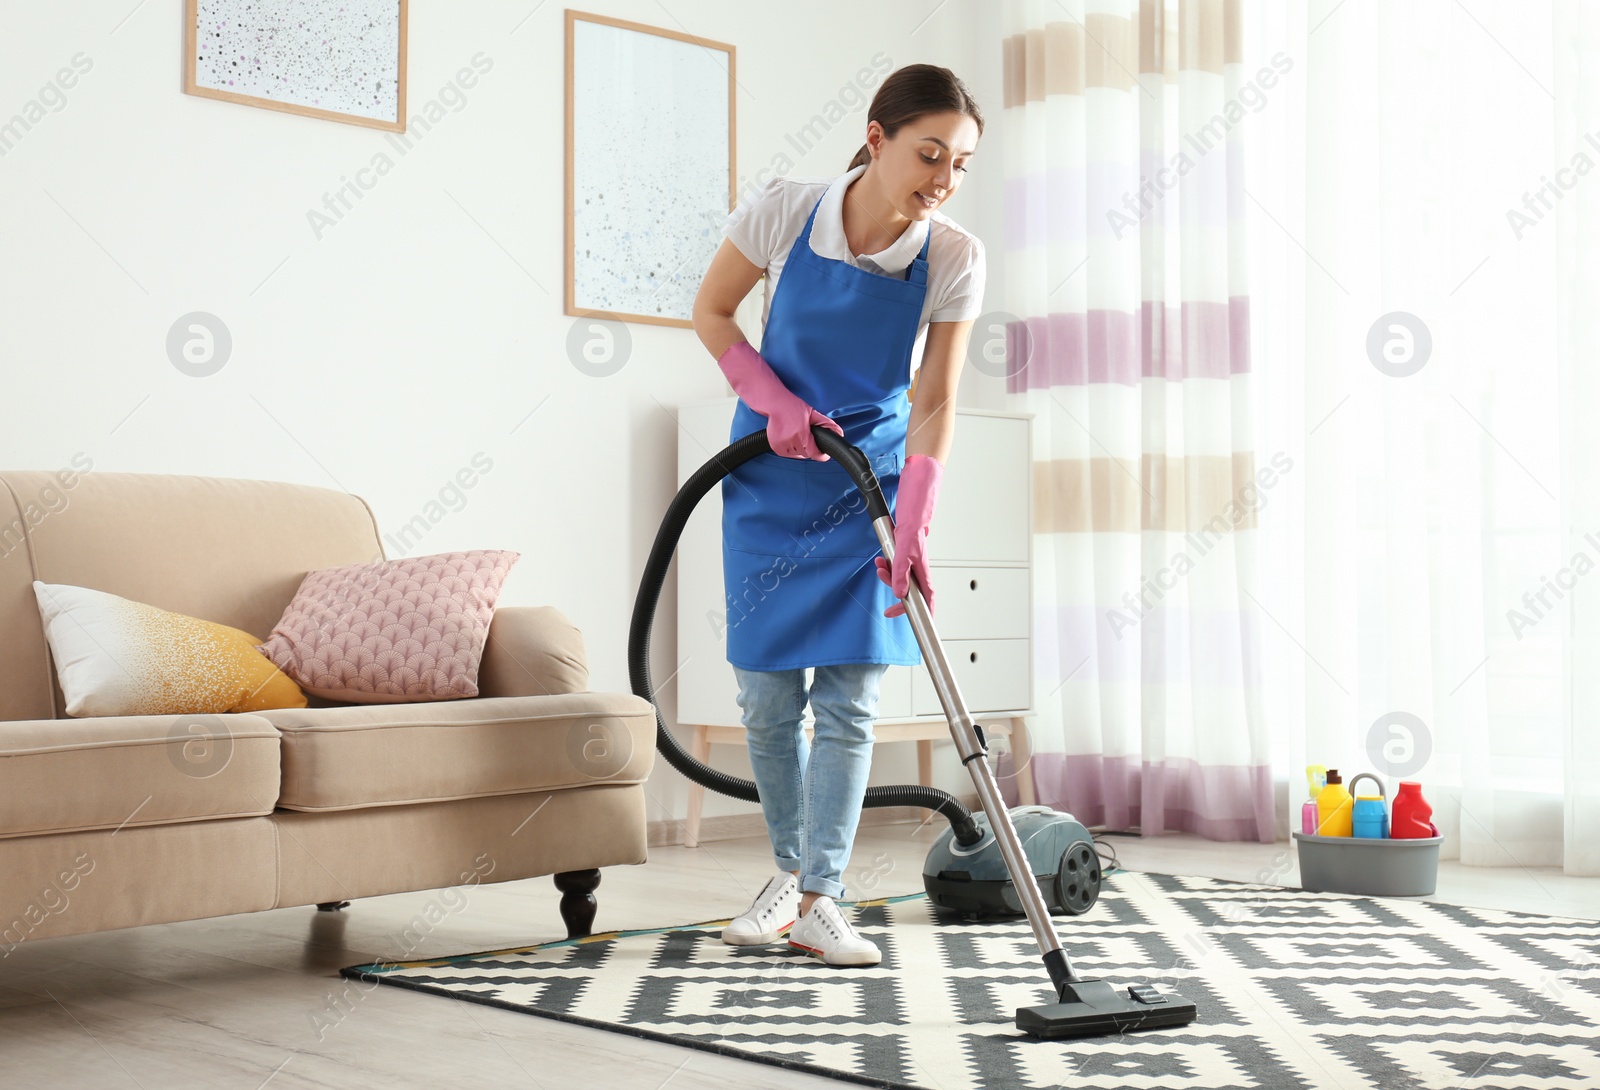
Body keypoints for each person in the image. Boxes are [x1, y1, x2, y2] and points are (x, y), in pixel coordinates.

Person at [690, 63, 985, 966]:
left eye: (960, 164)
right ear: (876, 137)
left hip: (870, 485)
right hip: (772, 474)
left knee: (851, 702)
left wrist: (916, 517)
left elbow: (937, 397)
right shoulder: (786, 210)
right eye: (929, 153)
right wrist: (769, 399)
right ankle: (785, 878)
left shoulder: (952, 255)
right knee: (766, 697)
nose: (942, 178)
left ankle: (822, 896)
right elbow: (712, 312)